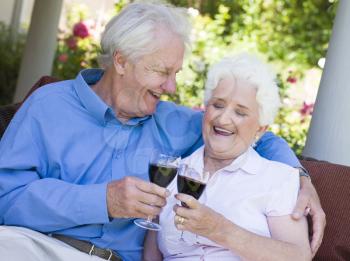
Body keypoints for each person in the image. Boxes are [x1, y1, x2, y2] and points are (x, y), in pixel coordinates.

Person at [0, 2, 324, 261]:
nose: (170, 87)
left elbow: (256, 136)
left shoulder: (174, 121)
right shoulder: (48, 106)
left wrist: (301, 179)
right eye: (162, 72)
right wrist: (103, 200)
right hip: (36, 246)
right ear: (122, 61)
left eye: (176, 73)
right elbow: (5, 198)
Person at [144, 53, 312, 260]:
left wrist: (220, 230)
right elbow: (151, 254)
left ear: (260, 129)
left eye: (240, 113)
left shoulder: (278, 179)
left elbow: (298, 256)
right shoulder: (172, 174)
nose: (223, 119)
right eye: (218, 105)